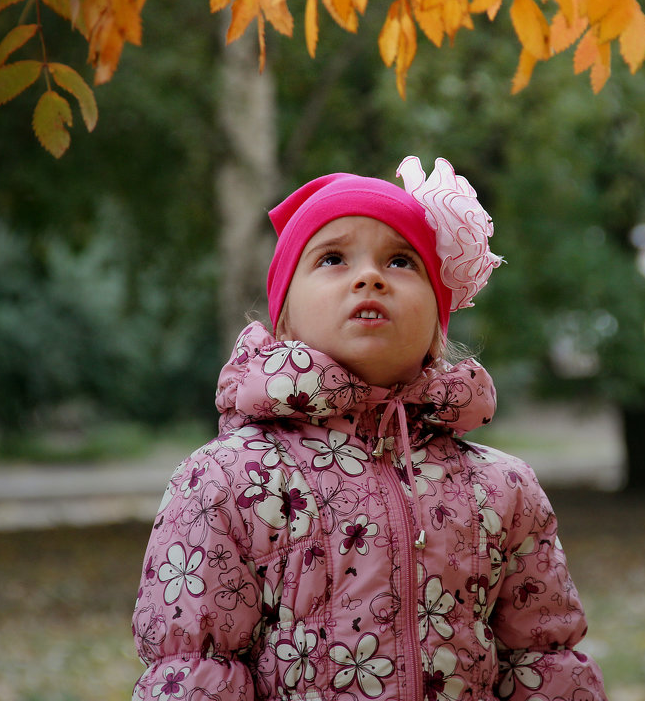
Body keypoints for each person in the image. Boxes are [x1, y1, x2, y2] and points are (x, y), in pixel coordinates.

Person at [131, 156, 608, 701]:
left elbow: (544, 661)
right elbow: (197, 668)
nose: (369, 276)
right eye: (332, 257)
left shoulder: (501, 489)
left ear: (436, 320)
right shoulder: (227, 480)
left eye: (401, 262)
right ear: (284, 317)